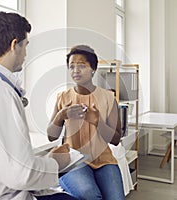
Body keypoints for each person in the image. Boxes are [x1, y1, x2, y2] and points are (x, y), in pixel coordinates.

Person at [0, 11, 77, 200]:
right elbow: (20, 173)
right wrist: (57, 163)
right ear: (14, 45)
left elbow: (10, 161)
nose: (26, 53)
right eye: (25, 45)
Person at [47, 45, 125, 200]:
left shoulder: (109, 98)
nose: (75, 70)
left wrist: (97, 121)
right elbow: (51, 136)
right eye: (71, 66)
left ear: (93, 69)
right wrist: (61, 115)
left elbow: (116, 140)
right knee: (89, 194)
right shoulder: (63, 97)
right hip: (74, 161)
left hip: (104, 160)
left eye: (81, 65)